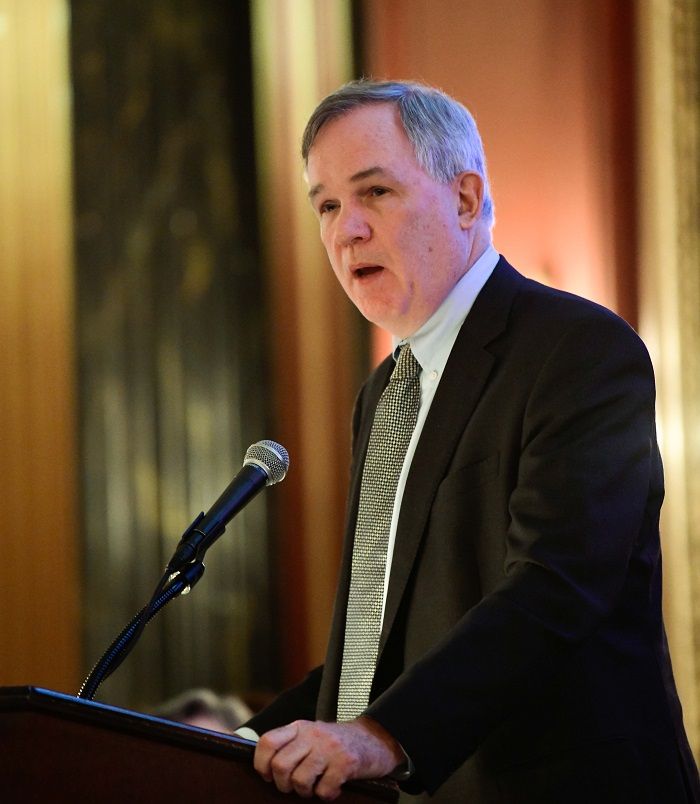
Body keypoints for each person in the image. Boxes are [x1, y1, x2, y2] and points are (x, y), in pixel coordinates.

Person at [241, 79, 700, 802]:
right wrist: (235, 743)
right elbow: (376, 649)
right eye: (326, 205)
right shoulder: (383, 396)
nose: (345, 230)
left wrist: (381, 736)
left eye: (375, 193)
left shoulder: (579, 350)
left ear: (464, 198)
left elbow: (555, 589)